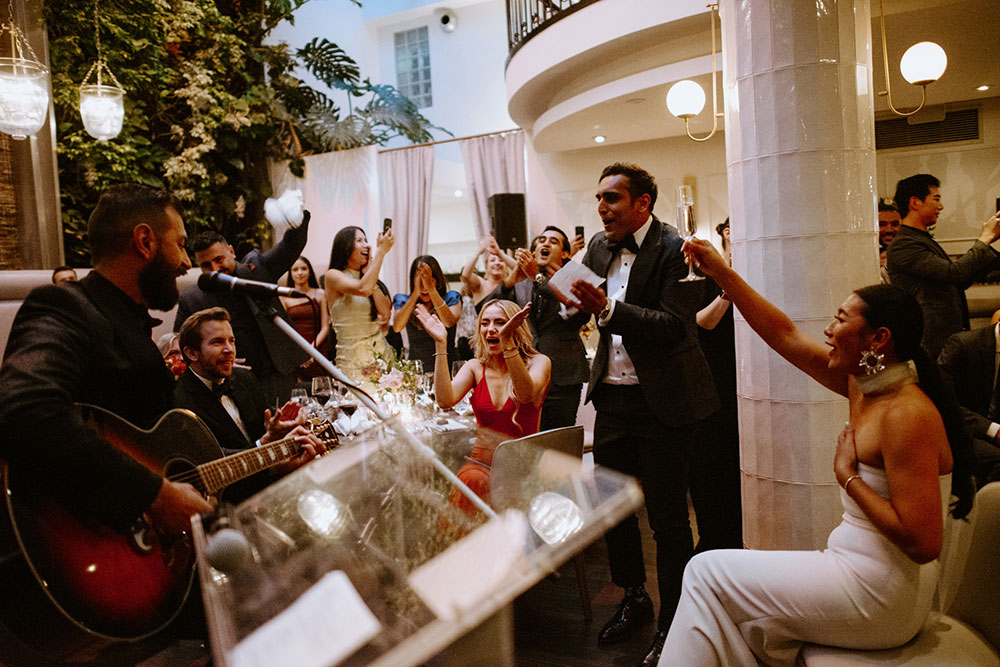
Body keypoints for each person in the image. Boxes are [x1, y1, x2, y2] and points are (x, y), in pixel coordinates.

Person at [662, 238, 974, 666]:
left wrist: (848, 476)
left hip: (882, 595)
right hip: (857, 573)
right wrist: (721, 273)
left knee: (703, 572)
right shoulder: (863, 385)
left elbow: (924, 543)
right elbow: (784, 334)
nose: (828, 330)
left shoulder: (907, 414)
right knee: (722, 604)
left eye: (840, 320)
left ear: (878, 339)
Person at [554, 163, 719, 666]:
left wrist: (606, 310)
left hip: (664, 404)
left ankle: (675, 620)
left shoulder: (677, 249)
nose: (601, 208)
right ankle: (634, 597)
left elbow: (675, 326)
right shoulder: (599, 247)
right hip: (613, 397)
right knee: (614, 507)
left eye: (612, 199)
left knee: (668, 520)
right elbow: (577, 308)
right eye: (599, 198)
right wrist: (565, 299)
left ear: (643, 203)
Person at [0, 182, 210, 543]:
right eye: (180, 243)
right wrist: (153, 496)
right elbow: (23, 409)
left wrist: (266, 453)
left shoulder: (130, 321)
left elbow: (161, 452)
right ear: (145, 241)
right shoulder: (64, 306)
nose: (187, 262)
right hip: (84, 547)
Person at [173, 308, 322, 502]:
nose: (229, 350)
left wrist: (279, 429)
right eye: (217, 342)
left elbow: (265, 433)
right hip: (229, 503)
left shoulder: (244, 378)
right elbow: (213, 466)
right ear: (192, 353)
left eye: (231, 341)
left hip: (272, 489)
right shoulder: (179, 401)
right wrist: (266, 442)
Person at [419, 298, 551, 514]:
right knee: (472, 481)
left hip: (522, 466)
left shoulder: (539, 362)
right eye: (485, 323)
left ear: (515, 326)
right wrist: (441, 343)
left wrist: (507, 341)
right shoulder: (475, 367)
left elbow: (526, 395)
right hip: (481, 465)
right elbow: (444, 400)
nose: (491, 329)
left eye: (500, 322)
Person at [173, 216, 311, 404]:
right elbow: (181, 344)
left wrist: (296, 217)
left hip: (277, 373)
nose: (214, 269)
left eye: (219, 259)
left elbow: (291, 246)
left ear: (231, 251)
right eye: (206, 265)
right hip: (233, 380)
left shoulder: (256, 271)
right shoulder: (192, 297)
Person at [886, 173, 1000, 358]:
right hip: (931, 343)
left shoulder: (920, 239)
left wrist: (989, 242)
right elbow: (955, 274)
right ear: (915, 202)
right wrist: (984, 239)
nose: (941, 206)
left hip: (945, 338)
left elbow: (959, 280)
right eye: (936, 198)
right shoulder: (904, 244)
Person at [501, 225, 591, 431]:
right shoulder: (524, 283)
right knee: (529, 439)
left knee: (558, 440)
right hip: (527, 374)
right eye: (541, 240)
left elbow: (578, 315)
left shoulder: (575, 279)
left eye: (553, 241)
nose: (545, 243)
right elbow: (489, 306)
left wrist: (538, 278)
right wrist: (517, 273)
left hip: (563, 374)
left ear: (566, 253)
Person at [690, 218, 742, 552]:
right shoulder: (705, 275)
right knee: (711, 472)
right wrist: (729, 285)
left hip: (744, 385)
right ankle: (712, 544)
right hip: (711, 386)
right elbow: (702, 322)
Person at [325, 225, 394, 383]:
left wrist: (370, 273)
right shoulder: (333, 276)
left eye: (366, 240)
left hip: (381, 355)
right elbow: (363, 289)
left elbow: (385, 313)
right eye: (359, 240)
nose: (367, 245)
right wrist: (381, 252)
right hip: (353, 361)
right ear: (346, 246)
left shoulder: (368, 279)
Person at [937, 323, 1000, 489]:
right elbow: (943, 402)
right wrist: (994, 430)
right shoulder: (963, 345)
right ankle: (983, 511)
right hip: (960, 431)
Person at [393, 255, 462, 369]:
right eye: (420, 280)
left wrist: (431, 289)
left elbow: (449, 322)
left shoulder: (451, 298)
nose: (423, 286)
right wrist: (415, 293)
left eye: (428, 280)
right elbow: (397, 327)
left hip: (447, 366)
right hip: (416, 369)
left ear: (437, 280)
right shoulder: (404, 301)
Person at [280, 256, 329, 381]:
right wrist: (299, 354)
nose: (300, 273)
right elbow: (283, 331)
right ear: (290, 274)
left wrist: (311, 350)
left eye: (303, 269)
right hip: (295, 352)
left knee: (322, 388)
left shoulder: (320, 293)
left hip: (318, 350)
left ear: (310, 272)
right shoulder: (284, 298)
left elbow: (325, 327)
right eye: (295, 270)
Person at [878, 197, 901, 282]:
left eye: (894, 224)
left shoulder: (911, 251)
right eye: (882, 224)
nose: (889, 230)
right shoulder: (864, 254)